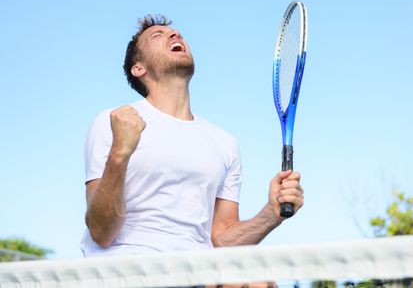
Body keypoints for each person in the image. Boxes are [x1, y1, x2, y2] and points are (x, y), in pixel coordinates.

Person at [80, 14, 304, 256]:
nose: (175, 35)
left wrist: (271, 214)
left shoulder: (225, 144)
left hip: (195, 272)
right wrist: (119, 153)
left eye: (177, 34)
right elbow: (101, 233)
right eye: (158, 35)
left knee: (259, 281)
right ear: (138, 68)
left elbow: (221, 240)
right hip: (127, 268)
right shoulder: (115, 121)